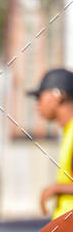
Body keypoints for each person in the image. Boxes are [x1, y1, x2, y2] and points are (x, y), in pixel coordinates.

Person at [28, 67, 73, 219]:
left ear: (57, 95)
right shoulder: (68, 132)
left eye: (40, 97)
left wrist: (55, 189)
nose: (37, 105)